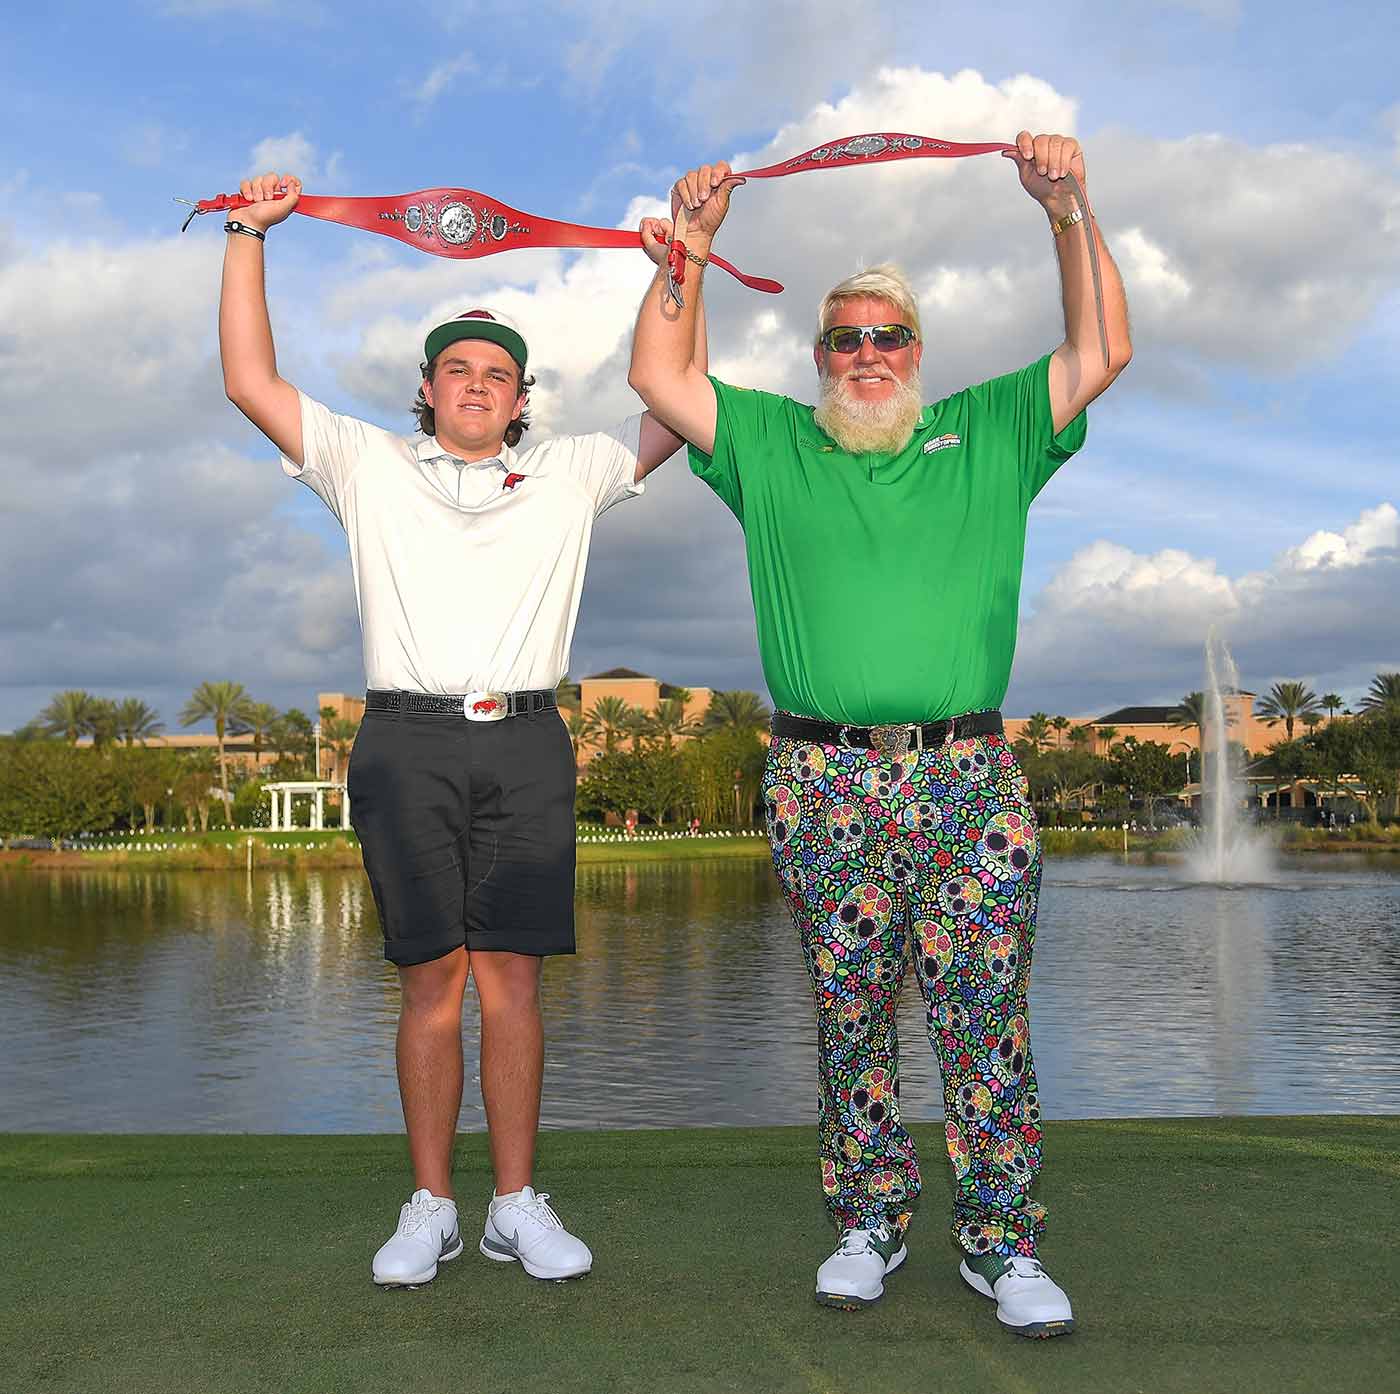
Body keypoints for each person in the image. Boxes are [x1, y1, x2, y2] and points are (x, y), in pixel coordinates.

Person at [628, 132, 1131, 1337]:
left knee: (981, 1009)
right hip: (819, 778)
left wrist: (1066, 208)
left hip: (967, 776)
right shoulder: (771, 443)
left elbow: (1100, 347)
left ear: (915, 353)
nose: (865, 353)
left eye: (886, 336)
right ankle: (868, 1217)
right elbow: (657, 374)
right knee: (849, 1007)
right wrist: (688, 251)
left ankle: (1000, 1242)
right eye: (844, 338)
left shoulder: (992, 426)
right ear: (818, 357)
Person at [219, 170, 704, 1288]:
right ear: (427, 389)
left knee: (513, 983)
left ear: (522, 396)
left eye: (498, 374)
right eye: (458, 371)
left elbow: (676, 390)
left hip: (528, 741)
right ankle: (432, 1202)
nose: (477, 386)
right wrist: (248, 232)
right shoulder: (365, 463)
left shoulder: (573, 469)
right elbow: (250, 377)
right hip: (406, 740)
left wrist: (676, 265)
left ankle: (515, 1203)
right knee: (430, 980)